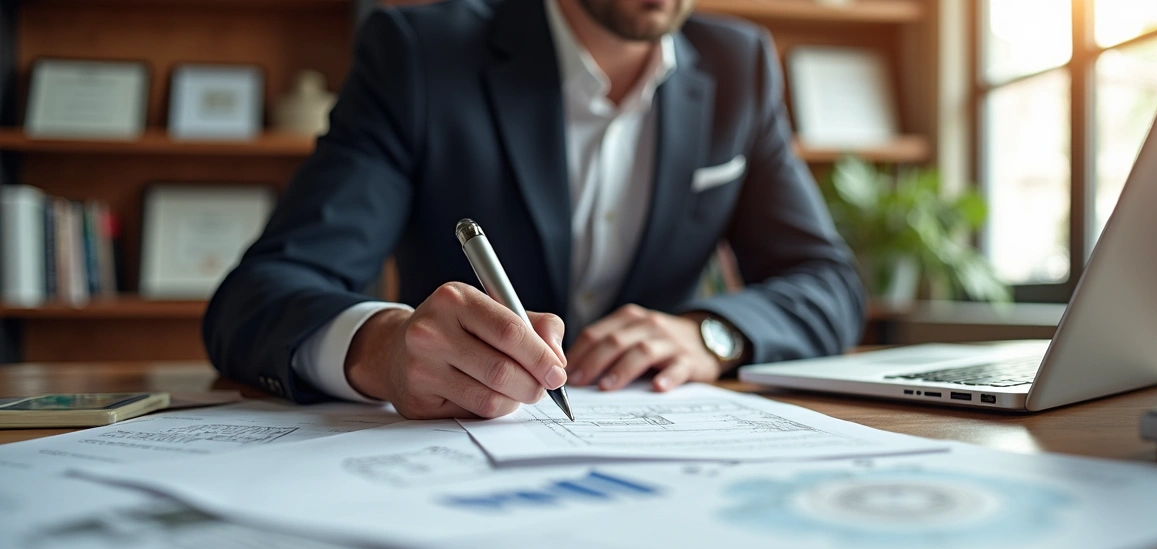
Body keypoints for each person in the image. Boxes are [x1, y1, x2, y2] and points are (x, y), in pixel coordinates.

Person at [204, 0, 866, 420]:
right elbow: (256, 297)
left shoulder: (739, 65)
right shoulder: (418, 56)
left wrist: (710, 335)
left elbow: (828, 283)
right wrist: (384, 351)